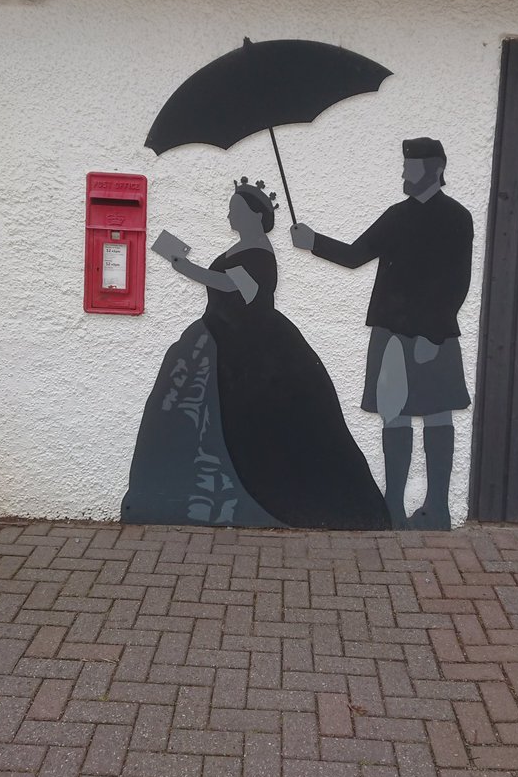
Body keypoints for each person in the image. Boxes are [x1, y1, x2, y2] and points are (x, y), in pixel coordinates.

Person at [122, 178, 391, 530]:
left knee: (264, 426)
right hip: (220, 336)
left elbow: (232, 286)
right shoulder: (245, 248)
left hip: (250, 348)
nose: (229, 214)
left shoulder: (260, 253)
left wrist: (182, 265)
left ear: (253, 214)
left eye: (235, 209)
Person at [291, 139, 473, 530]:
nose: (404, 172)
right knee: (395, 415)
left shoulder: (457, 217)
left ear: (436, 168)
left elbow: (457, 282)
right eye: (405, 165)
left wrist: (433, 334)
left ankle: (437, 507)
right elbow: (357, 255)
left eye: (413, 166)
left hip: (434, 335)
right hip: (391, 333)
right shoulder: (396, 215)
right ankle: (393, 506)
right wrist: (313, 242)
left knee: (438, 413)